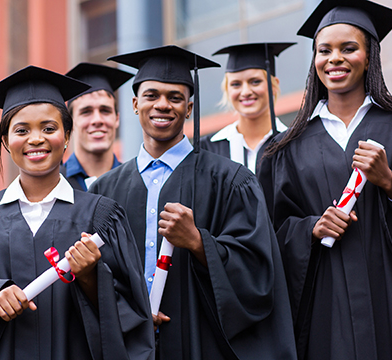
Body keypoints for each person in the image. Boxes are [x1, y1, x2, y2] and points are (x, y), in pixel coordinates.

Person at [0, 66, 154, 360]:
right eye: (21, 130)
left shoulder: (102, 218)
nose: (35, 139)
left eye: (49, 128)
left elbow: (135, 322)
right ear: (5, 141)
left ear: (67, 135)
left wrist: (91, 279)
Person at [90, 45, 296, 359]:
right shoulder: (105, 191)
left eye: (175, 98)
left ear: (189, 108)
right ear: (134, 104)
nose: (163, 105)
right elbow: (101, 276)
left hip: (202, 342)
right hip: (130, 346)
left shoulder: (231, 181)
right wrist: (132, 315)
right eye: (151, 95)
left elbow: (258, 274)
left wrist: (200, 243)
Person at [259, 1, 392, 359]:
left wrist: (391, 183)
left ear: (370, 57)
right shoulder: (285, 148)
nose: (335, 59)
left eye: (349, 48)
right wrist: (309, 228)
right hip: (325, 302)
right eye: (324, 50)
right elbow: (268, 232)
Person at [201, 42, 293, 174]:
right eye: (236, 84)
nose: (245, 92)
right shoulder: (208, 149)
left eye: (255, 82)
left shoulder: (292, 143)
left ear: (274, 85)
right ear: (227, 89)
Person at [62, 62, 134, 190]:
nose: (97, 120)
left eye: (105, 110)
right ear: (71, 123)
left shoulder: (134, 181)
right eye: (86, 112)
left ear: (117, 118)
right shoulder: (55, 184)